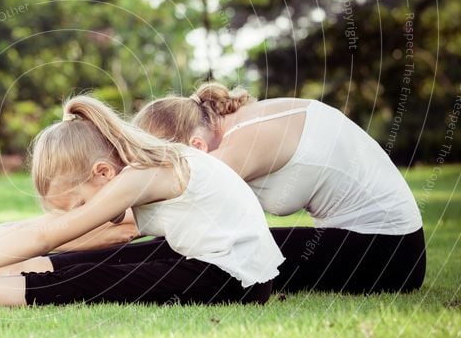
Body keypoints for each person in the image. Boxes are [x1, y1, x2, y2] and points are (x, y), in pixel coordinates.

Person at [0, 95, 284, 306]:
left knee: (90, 280)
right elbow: (49, 228)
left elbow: (50, 235)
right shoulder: (148, 164)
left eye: (77, 204)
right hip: (216, 265)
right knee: (100, 259)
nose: (78, 216)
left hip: (236, 281)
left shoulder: (142, 174)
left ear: (102, 173)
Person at [133, 83, 425, 294]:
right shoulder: (240, 124)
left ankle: (90, 270)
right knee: (189, 244)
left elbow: (154, 209)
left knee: (216, 254)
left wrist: (99, 213)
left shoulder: (244, 140)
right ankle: (88, 265)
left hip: (388, 253)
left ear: (191, 142)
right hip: (365, 241)